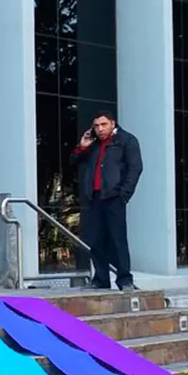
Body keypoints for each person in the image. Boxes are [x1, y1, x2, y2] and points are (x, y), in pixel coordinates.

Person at [68, 111, 142, 291]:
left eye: (104, 125)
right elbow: (73, 162)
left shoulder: (126, 140)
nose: (100, 129)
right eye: (96, 126)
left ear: (112, 123)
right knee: (95, 240)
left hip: (114, 197)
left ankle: (125, 279)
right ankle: (100, 279)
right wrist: (82, 146)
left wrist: (124, 195)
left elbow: (135, 168)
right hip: (93, 198)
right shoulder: (93, 144)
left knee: (118, 239)